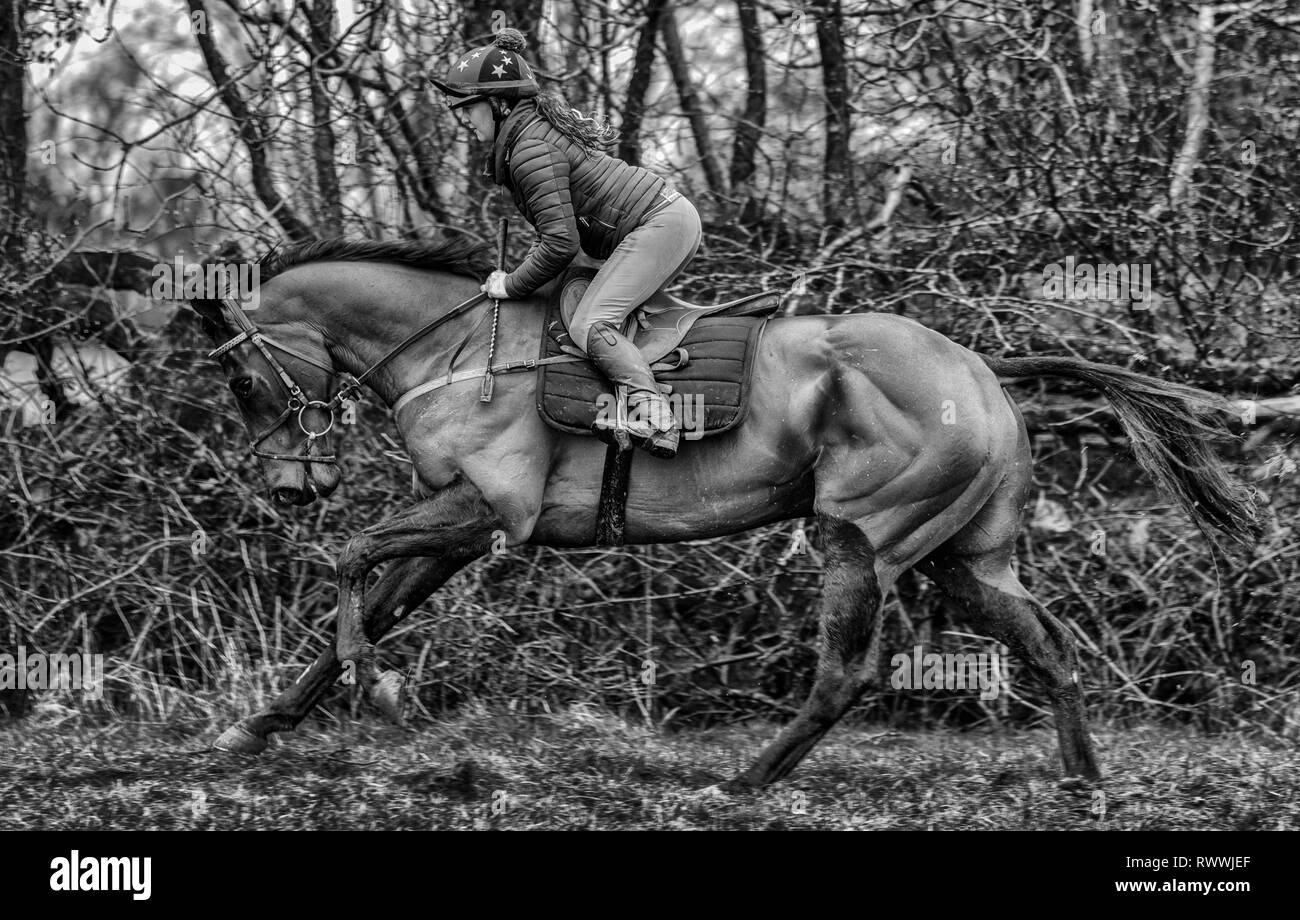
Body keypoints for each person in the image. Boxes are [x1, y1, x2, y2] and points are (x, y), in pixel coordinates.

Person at [429, 27, 701, 459]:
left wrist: (511, 284)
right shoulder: (527, 138)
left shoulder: (528, 150)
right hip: (658, 220)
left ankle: (654, 415)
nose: (462, 117)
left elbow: (558, 243)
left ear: (499, 105)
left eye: (468, 106)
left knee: (590, 324)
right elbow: (565, 246)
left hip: (658, 224)